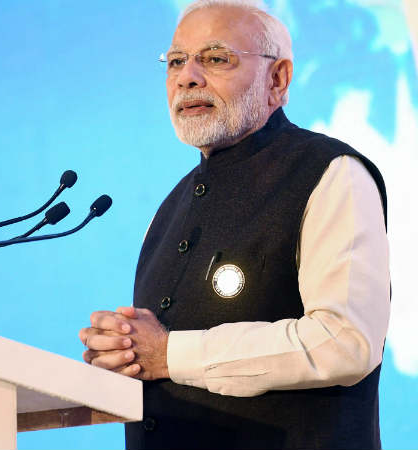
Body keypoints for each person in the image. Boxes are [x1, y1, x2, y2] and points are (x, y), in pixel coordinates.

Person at [78, 0, 390, 448]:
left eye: (215, 58)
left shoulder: (329, 173)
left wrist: (169, 353)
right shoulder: (169, 208)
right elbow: (162, 365)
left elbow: (345, 342)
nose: (187, 77)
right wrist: (124, 354)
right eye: (176, 61)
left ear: (277, 79)